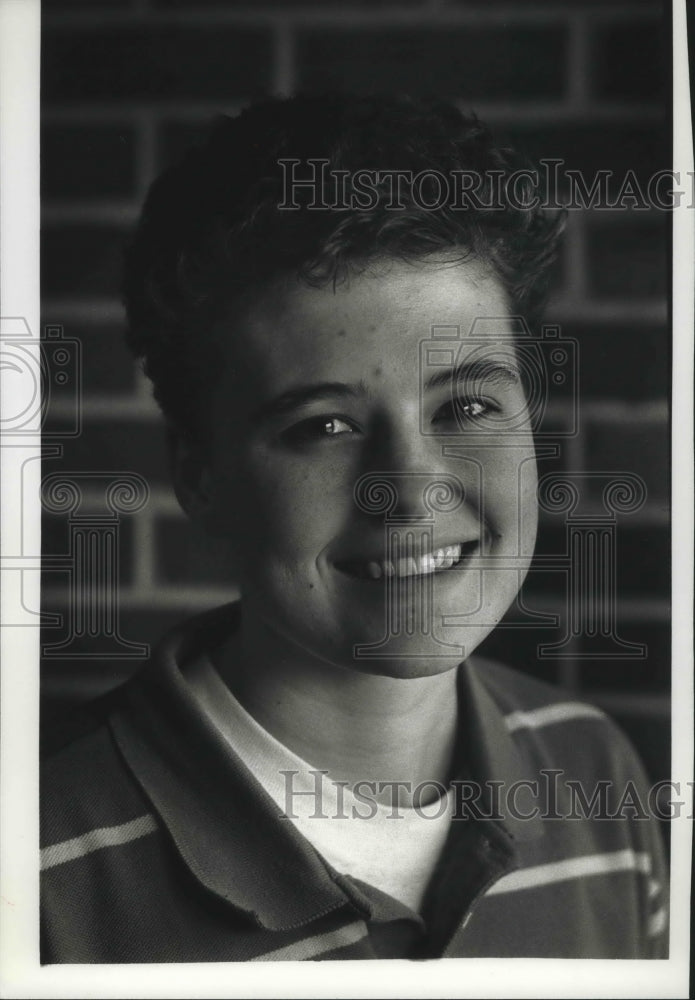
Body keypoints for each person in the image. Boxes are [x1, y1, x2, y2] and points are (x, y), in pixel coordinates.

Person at [40, 95, 668, 962]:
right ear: (201, 477)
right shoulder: (37, 862)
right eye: (322, 426)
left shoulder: (599, 773)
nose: (408, 492)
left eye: (469, 405)